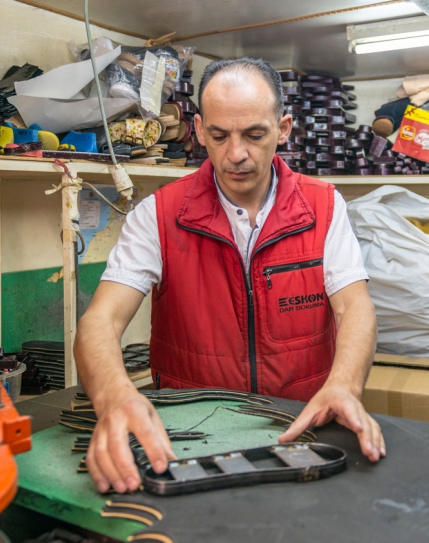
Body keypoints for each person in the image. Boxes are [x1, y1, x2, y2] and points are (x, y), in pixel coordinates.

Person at [74, 57, 386, 494]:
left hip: (301, 431)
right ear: (199, 130)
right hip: (190, 442)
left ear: (284, 128)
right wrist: (114, 397)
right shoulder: (158, 216)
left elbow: (355, 306)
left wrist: (345, 387)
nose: (235, 154)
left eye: (254, 135)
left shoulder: (324, 207)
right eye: (219, 136)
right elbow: (99, 321)